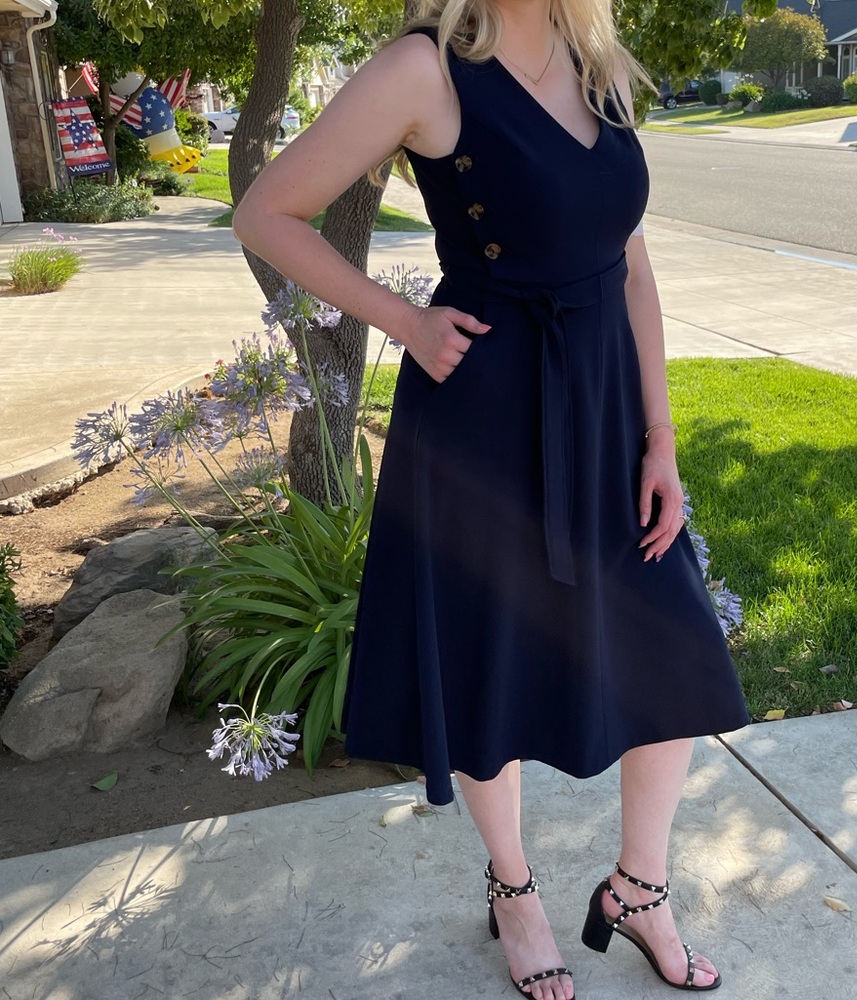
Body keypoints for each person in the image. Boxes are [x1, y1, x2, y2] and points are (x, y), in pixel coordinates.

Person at [233, 1, 750, 996]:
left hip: (604, 410)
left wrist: (661, 439)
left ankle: (639, 889)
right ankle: (513, 889)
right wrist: (403, 321)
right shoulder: (425, 68)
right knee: (490, 659)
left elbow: (633, 266)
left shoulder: (597, 60)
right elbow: (266, 213)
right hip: (482, 414)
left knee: (671, 642)